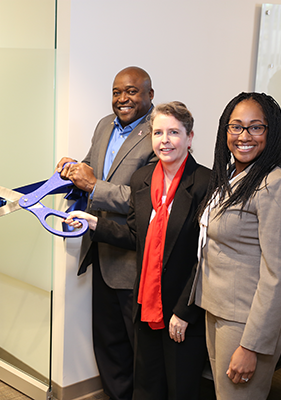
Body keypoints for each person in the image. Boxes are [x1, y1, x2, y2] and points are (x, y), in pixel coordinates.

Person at [66, 102, 210, 400]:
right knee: (146, 387)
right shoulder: (142, 178)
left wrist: (184, 311)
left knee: (181, 389)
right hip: (145, 302)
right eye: (158, 133)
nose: (165, 140)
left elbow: (205, 256)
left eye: (174, 132)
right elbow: (135, 234)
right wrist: (93, 223)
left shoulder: (206, 184)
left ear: (190, 137)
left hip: (181, 310)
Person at [189, 92, 281, 399]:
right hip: (219, 309)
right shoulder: (234, 175)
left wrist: (251, 345)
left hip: (245, 322)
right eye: (236, 126)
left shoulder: (277, 185)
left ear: (271, 133)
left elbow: (279, 275)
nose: (244, 136)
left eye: (256, 127)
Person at [56, 66, 156, 400]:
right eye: (117, 92)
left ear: (149, 96)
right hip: (101, 250)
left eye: (132, 91)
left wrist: (94, 186)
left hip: (134, 259)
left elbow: (149, 201)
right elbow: (91, 168)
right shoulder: (103, 125)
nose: (122, 99)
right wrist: (74, 169)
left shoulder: (159, 134)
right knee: (109, 344)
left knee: (141, 351)